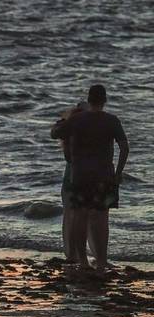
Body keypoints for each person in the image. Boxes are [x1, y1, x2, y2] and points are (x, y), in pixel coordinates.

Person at [51, 84, 129, 271]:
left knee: (79, 216)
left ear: (89, 99)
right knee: (101, 219)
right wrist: (118, 173)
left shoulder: (77, 120)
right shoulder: (112, 120)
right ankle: (101, 261)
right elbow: (124, 148)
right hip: (104, 175)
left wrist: (63, 121)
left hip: (80, 176)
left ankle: (83, 261)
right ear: (104, 100)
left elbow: (54, 134)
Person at [57, 101, 88, 261]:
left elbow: (55, 132)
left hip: (69, 177)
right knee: (82, 216)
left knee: (70, 215)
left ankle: (71, 253)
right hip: (80, 176)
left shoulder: (69, 132)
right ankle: (79, 254)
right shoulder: (84, 131)